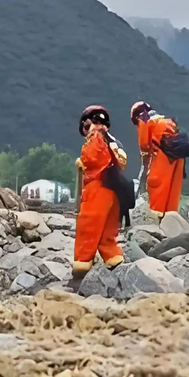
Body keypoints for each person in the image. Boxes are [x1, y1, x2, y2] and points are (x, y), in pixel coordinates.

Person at [73, 105, 125, 276]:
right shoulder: (113, 141)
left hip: (97, 186)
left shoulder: (96, 138)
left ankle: (83, 261)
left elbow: (92, 157)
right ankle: (113, 257)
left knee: (89, 223)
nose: (87, 130)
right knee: (107, 228)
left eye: (87, 126)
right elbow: (122, 161)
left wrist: (82, 162)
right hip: (115, 188)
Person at [131, 101, 187, 219]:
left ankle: (156, 216)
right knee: (173, 186)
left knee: (156, 183)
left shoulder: (144, 120)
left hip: (163, 153)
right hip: (179, 153)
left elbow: (145, 146)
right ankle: (171, 216)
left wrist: (144, 171)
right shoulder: (167, 122)